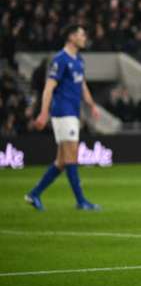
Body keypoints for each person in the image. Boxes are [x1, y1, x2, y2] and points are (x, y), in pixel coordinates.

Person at [25, 24, 102, 211]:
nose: (84, 38)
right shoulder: (60, 60)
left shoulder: (79, 60)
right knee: (71, 156)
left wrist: (92, 105)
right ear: (71, 37)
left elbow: (82, 85)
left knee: (61, 161)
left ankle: (34, 194)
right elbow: (49, 87)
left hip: (72, 112)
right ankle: (81, 201)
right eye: (81, 35)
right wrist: (44, 112)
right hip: (63, 112)